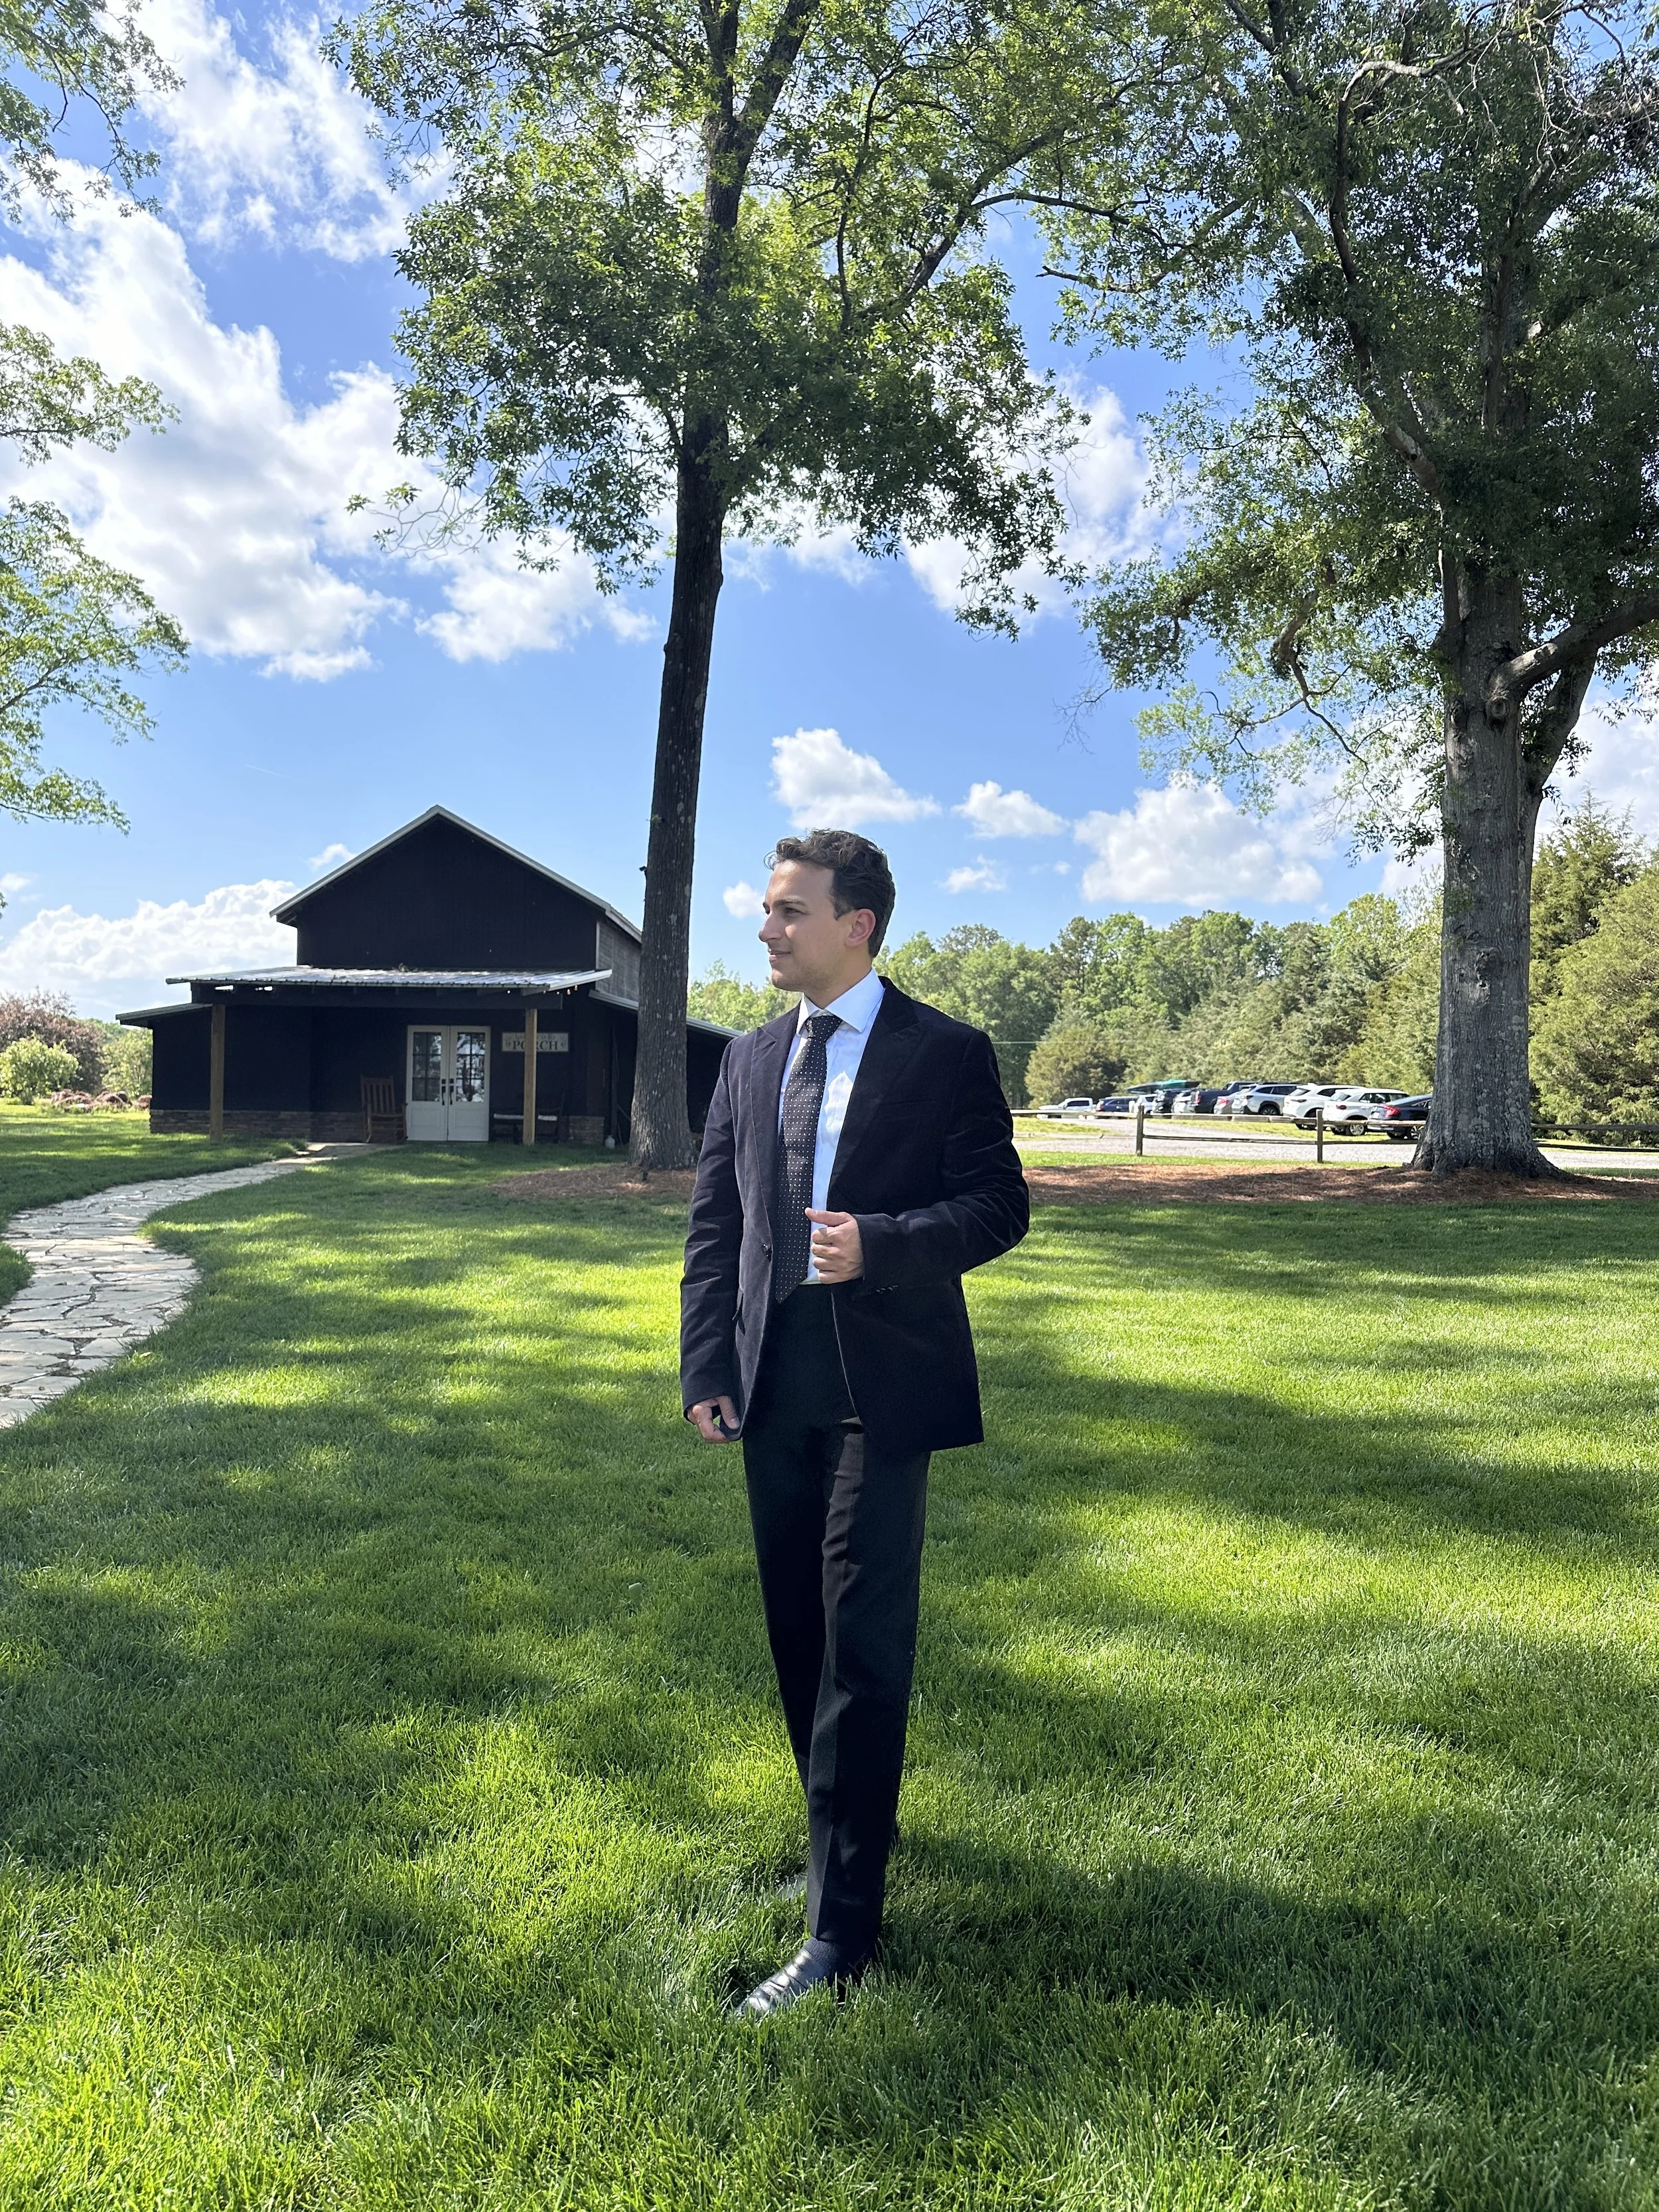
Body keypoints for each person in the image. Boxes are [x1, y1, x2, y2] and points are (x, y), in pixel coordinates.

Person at [680, 828, 1029, 2019]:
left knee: (861, 1650)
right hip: (771, 1387)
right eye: (767, 910)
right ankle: (840, 1845)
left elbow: (997, 1208)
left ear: (857, 926)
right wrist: (707, 1365)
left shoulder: (945, 1052)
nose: (768, 929)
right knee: (797, 1637)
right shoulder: (746, 1057)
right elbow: (716, 1228)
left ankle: (840, 1937)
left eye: (788, 911)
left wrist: (883, 1246)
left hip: (886, 1391)